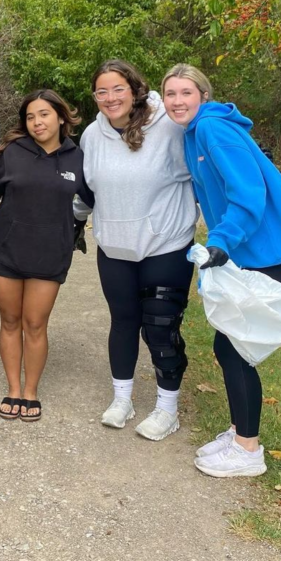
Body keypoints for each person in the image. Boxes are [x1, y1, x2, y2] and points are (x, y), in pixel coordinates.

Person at [161, 63, 281, 478]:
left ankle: (248, 450)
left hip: (277, 253)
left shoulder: (212, 129)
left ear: (203, 96)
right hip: (257, 253)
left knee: (233, 348)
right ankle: (239, 432)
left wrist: (221, 241)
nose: (177, 101)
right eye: (170, 93)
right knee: (231, 345)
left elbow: (248, 194)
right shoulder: (193, 133)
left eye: (186, 93)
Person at [73, 59, 198, 441]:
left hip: (166, 245)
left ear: (135, 90)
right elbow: (86, 192)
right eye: (102, 91)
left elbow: (204, 176)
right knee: (123, 322)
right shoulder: (92, 136)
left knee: (160, 329)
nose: (110, 98)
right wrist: (70, 224)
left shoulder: (169, 128)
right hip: (114, 248)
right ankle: (122, 399)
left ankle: (167, 409)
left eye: (118, 89)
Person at [0, 89, 93, 421]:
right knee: (10, 320)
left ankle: (30, 391)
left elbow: (91, 200)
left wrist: (77, 229)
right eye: (30, 117)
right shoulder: (13, 151)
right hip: (7, 248)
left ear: (60, 117)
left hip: (50, 252)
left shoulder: (78, 157)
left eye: (44, 114)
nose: (36, 122)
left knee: (35, 323)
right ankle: (13, 389)